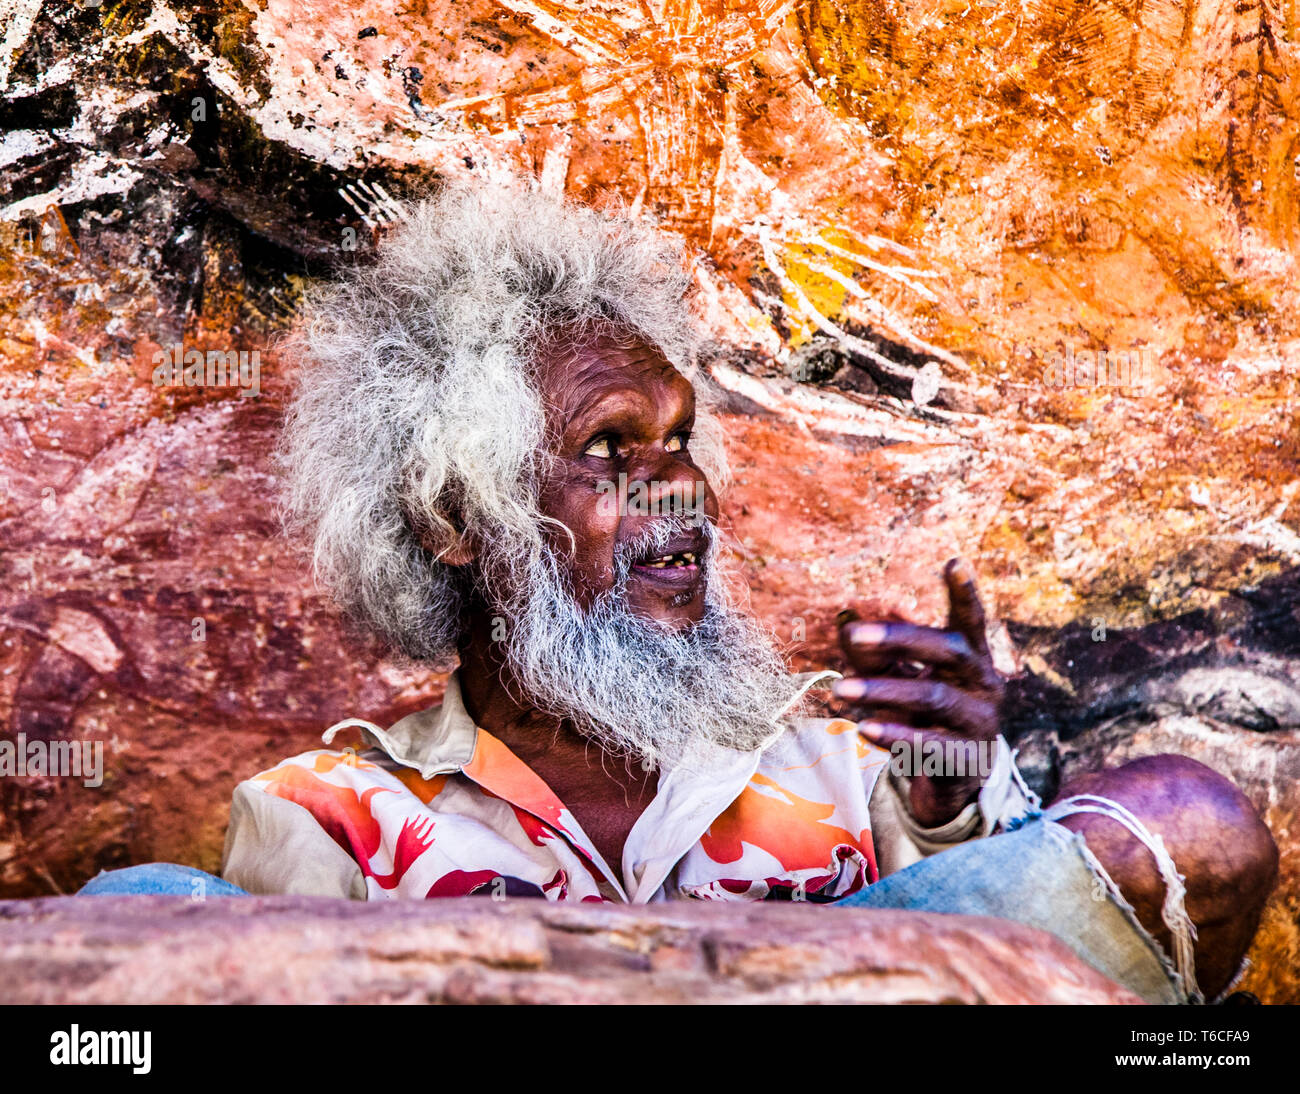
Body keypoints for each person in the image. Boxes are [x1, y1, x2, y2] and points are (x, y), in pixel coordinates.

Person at [83, 181, 1278, 1005]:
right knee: (144, 914)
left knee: (1183, 819)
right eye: (610, 447)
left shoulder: (844, 772)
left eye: (681, 439)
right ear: (457, 521)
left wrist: (959, 804)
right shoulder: (324, 813)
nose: (681, 488)